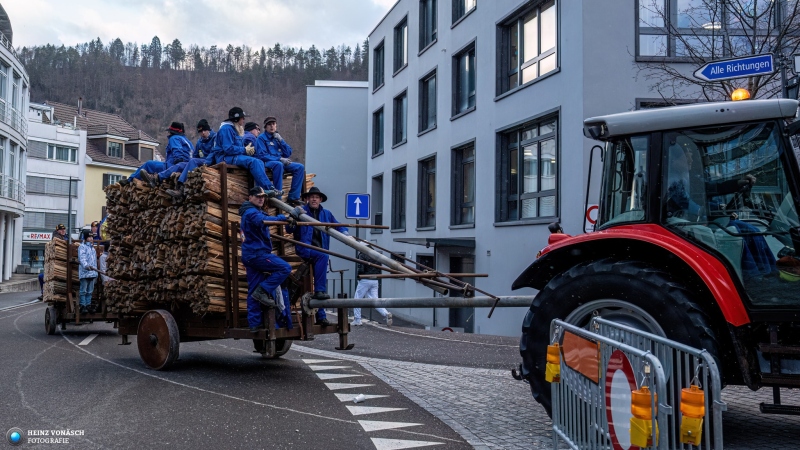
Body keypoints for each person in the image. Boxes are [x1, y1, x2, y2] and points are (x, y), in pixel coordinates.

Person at [287, 186, 350, 326]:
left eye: (317, 197)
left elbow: (337, 225)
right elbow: (289, 228)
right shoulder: (302, 212)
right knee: (321, 282)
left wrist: (345, 232)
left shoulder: (326, 214)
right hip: (305, 249)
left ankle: (321, 316)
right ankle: (320, 294)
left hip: (320, 251)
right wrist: (293, 216)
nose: (314, 199)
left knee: (321, 278)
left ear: (320, 199)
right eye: (311, 197)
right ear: (307, 199)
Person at [239, 186, 294, 332]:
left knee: (253, 290)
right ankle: (263, 290)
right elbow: (264, 221)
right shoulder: (251, 212)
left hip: (251, 255)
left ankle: (254, 325)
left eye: (262, 197)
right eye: (257, 196)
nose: (261, 199)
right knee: (285, 268)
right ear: (250, 197)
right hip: (258, 254)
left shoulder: (251, 211)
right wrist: (284, 218)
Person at [215, 107, 279, 194]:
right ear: (236, 118)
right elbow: (228, 149)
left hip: (233, 156)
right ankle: (268, 188)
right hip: (225, 158)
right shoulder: (226, 129)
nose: (244, 120)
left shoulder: (234, 129)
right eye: (242, 118)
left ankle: (267, 188)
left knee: (259, 161)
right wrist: (244, 150)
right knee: (254, 162)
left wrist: (249, 151)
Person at [256, 116, 304, 206]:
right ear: (265, 127)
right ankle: (278, 196)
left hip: (280, 161)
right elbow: (262, 155)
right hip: (267, 162)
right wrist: (279, 159)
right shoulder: (261, 138)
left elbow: (288, 152)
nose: (272, 126)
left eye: (273, 124)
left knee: (299, 167)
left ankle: (293, 197)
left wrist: (281, 140)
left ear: (276, 126)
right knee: (278, 165)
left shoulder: (277, 138)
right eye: (269, 125)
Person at [142, 122, 196, 187]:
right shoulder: (188, 141)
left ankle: (131, 180)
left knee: (148, 164)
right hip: (186, 166)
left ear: (171, 132)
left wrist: (177, 164)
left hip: (172, 166)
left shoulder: (174, 138)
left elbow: (178, 152)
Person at [352, 250, 392, 326]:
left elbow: (361, 268)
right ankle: (386, 314)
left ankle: (357, 319)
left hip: (365, 279)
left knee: (357, 299)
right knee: (375, 300)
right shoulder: (375, 254)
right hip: (375, 279)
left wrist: (359, 277)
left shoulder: (362, 254)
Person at [39, 224, 69, 299]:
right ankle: (44, 292)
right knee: (41, 276)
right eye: (61, 230)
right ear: (57, 230)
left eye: (64, 229)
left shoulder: (67, 237)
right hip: (57, 263)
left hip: (65, 262)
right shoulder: (56, 238)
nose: (63, 231)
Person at [77, 230, 99, 314]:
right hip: (85, 272)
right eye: (89, 237)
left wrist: (94, 270)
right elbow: (82, 259)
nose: (91, 239)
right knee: (83, 290)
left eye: (92, 237)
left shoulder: (92, 248)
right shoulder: (82, 247)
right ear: (86, 238)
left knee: (90, 291)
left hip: (92, 273)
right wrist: (86, 266)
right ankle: (83, 305)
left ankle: (88, 305)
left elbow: (94, 261)